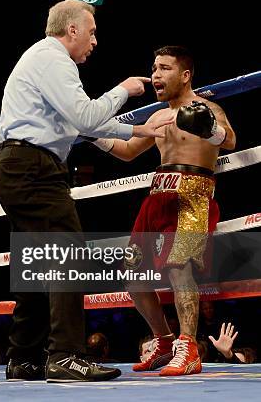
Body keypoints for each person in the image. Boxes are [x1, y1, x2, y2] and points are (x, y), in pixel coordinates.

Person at [0, 0, 172, 383]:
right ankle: (66, 355)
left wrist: (137, 132)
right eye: (91, 32)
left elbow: (87, 128)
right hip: (33, 168)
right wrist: (123, 90)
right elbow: (87, 115)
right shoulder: (54, 59)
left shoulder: (42, 62)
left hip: (20, 166)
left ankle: (23, 357)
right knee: (68, 253)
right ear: (71, 29)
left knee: (37, 262)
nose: (94, 41)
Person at [87, 45, 236, 375]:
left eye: (165, 68)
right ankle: (164, 341)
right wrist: (93, 135)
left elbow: (230, 142)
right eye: (154, 68)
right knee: (132, 275)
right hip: (156, 196)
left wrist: (209, 128)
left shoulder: (208, 107)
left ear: (185, 75)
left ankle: (189, 346)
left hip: (193, 194)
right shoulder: (156, 116)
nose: (155, 74)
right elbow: (127, 151)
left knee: (179, 266)